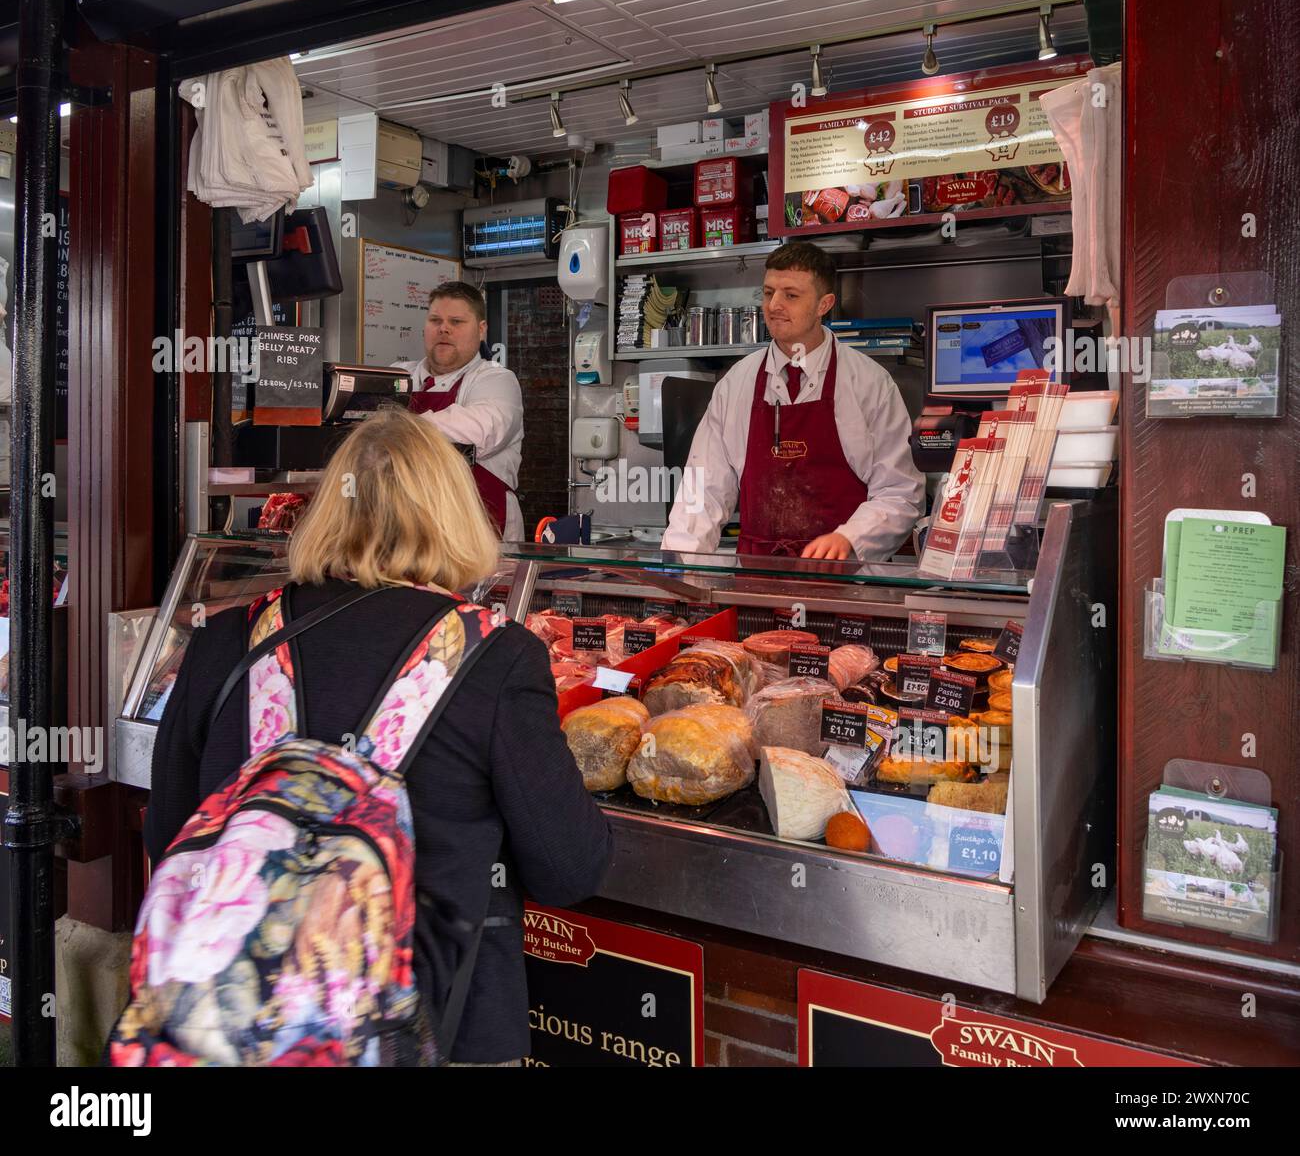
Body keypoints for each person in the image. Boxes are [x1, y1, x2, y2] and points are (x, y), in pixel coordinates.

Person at [144, 407, 612, 1065]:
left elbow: (169, 832)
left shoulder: (225, 641)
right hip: (439, 1032)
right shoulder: (496, 658)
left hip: (238, 1027)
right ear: (453, 514)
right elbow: (568, 868)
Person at [662, 242, 924, 560]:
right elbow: (702, 490)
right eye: (768, 292)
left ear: (823, 304)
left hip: (844, 583)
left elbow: (901, 492)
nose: (774, 305)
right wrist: (680, 565)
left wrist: (850, 537)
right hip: (757, 583)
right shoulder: (736, 383)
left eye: (791, 295)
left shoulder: (869, 383)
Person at [396, 281, 525, 541]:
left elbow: (480, 431)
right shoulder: (399, 374)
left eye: (456, 322)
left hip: (478, 526)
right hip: (410, 526)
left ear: (481, 330)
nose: (443, 328)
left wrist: (393, 429)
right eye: (435, 320)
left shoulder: (495, 379)